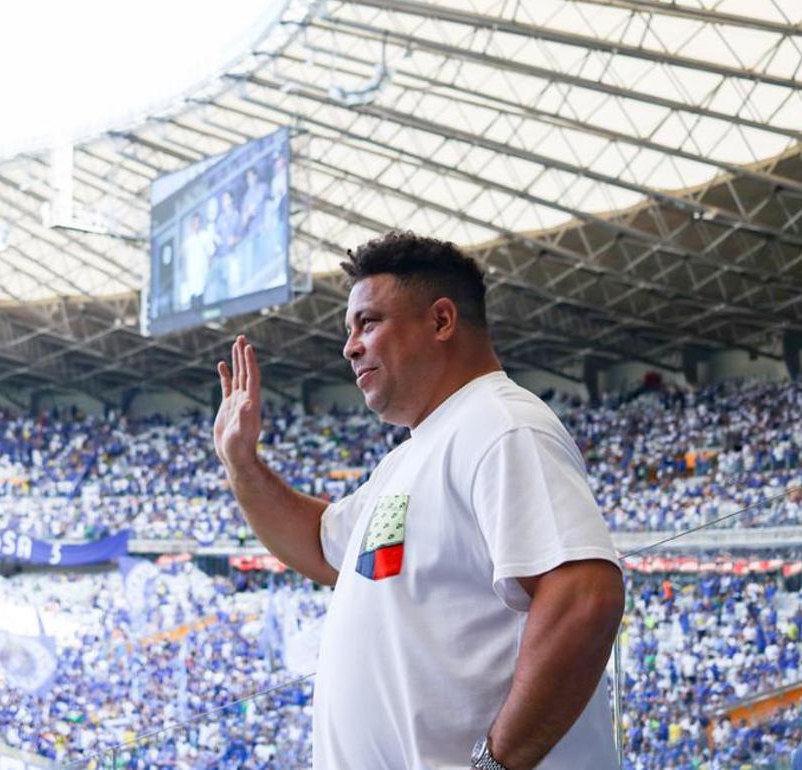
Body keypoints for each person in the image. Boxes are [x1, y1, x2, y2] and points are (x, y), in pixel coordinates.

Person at [213, 231, 624, 769]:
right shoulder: (413, 455)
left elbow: (584, 596)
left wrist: (493, 765)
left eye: (369, 323)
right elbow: (319, 547)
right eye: (349, 330)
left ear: (441, 321)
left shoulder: (502, 426)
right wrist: (242, 464)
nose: (350, 346)